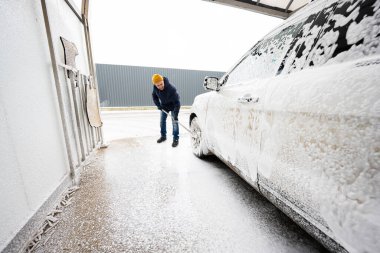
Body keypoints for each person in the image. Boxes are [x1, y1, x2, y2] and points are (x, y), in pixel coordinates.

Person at [151, 74, 181, 147]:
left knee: (174, 122)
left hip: (174, 106)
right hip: (164, 106)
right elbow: (154, 96)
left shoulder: (171, 89)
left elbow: (177, 103)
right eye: (158, 85)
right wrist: (158, 105)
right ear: (155, 85)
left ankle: (175, 139)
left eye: (161, 84)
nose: (160, 86)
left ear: (163, 81)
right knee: (162, 121)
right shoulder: (155, 88)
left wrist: (176, 115)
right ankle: (163, 136)